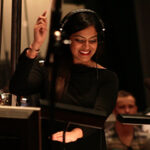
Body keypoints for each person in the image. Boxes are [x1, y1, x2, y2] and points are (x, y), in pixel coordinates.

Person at [9, 9, 119, 150]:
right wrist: (35, 45)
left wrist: (74, 134)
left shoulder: (107, 77)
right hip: (49, 144)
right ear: (66, 40)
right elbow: (18, 87)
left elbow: (101, 113)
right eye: (79, 40)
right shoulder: (49, 69)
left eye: (92, 41)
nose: (87, 47)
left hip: (86, 145)